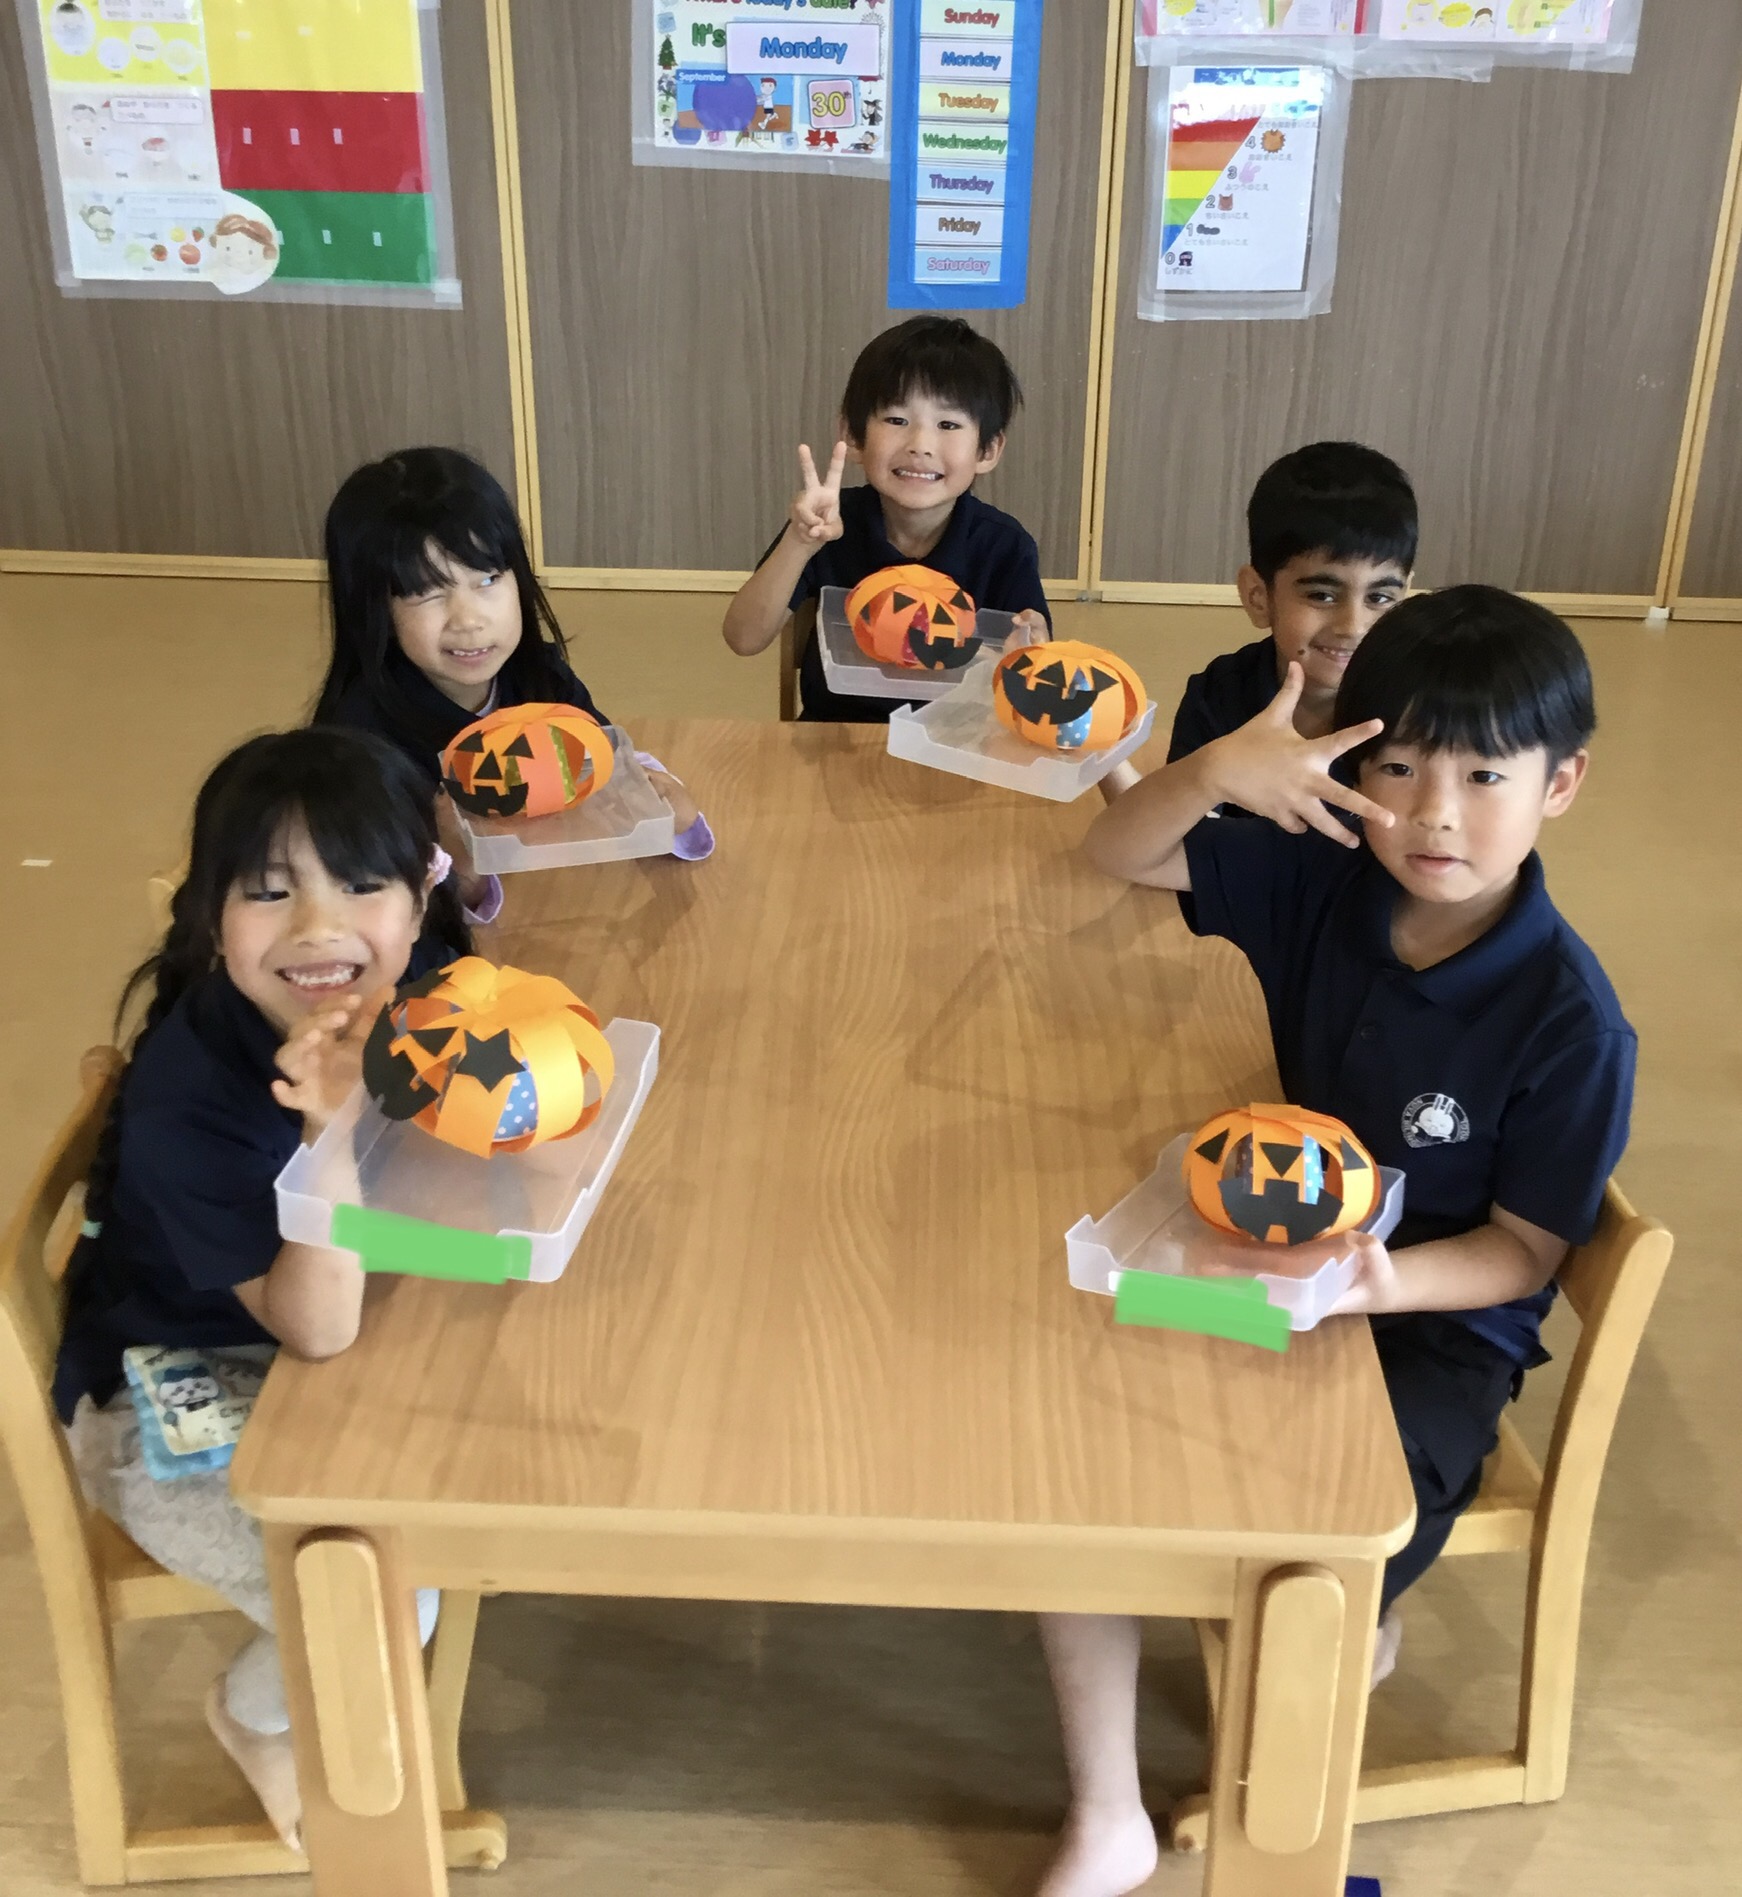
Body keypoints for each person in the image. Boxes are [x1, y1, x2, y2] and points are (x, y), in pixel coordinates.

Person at [1038, 586, 1635, 1897]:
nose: (1432, 814)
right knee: (1073, 1450)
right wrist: (1207, 772)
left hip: (1424, 1336)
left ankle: (1336, 1669)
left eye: (1483, 775)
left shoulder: (1569, 1025)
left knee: (1310, 1565)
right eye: (1397, 767)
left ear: (1560, 784)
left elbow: (1522, 1251)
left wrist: (1378, 1282)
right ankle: (1105, 1813)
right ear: (1351, 767)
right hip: (1260, 1265)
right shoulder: (1322, 875)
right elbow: (1117, 854)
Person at [53, 728, 471, 1854]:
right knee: (387, 1590)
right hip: (166, 1398)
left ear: (419, 901)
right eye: (269, 891)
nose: (319, 928)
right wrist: (331, 1136)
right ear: (210, 916)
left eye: (363, 883)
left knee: (487, 1475)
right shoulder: (192, 1096)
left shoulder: (419, 994)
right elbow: (314, 1327)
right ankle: (252, 1715)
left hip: (318, 1349)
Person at [314, 447, 712, 909]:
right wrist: (458, 875)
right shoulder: (360, 745)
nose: (468, 620)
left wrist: (677, 823)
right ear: (374, 610)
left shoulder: (540, 677)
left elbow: (607, 773)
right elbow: (365, 903)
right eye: (426, 593)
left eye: (487, 580)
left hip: (562, 902)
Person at [722, 315, 1052, 721]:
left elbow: (1031, 681)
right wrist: (800, 542)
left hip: (956, 739)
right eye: (897, 420)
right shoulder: (826, 524)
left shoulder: (1004, 546)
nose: (920, 445)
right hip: (834, 736)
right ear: (853, 435)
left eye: (948, 424)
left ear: (987, 451)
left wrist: (1031, 651)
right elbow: (743, 639)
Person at [1167, 441, 1417, 806]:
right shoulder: (1218, 696)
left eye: (1379, 598)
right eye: (1322, 595)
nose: (1353, 626)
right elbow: (1171, 826)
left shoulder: (1423, 710)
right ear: (1258, 597)